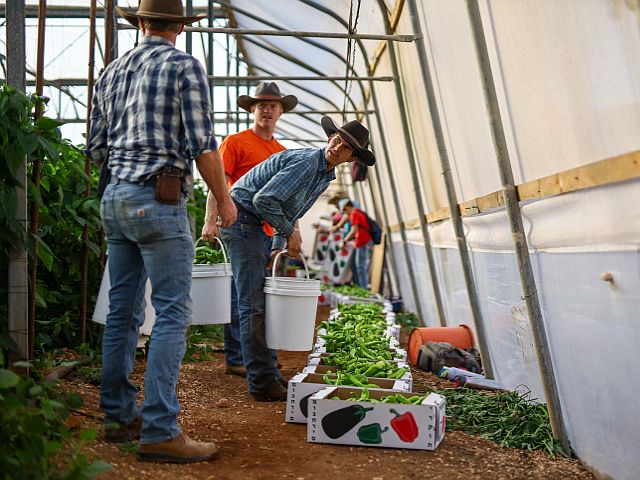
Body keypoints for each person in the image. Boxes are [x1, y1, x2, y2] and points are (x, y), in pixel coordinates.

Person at [87, 0, 237, 464]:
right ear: (179, 27)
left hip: (115, 199)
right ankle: (159, 429)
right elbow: (202, 145)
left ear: (142, 22)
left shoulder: (111, 72)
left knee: (122, 311)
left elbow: (95, 148)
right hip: (161, 198)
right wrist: (225, 199)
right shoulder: (184, 66)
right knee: (172, 313)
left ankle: (117, 415)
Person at [220, 116, 376, 401]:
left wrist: (278, 246)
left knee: (260, 301)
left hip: (253, 224)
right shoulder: (308, 162)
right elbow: (263, 200)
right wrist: (289, 233)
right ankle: (262, 381)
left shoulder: (325, 174)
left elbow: (292, 210)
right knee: (252, 304)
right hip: (241, 219)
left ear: (352, 157)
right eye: (337, 139)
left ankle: (268, 371)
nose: (337, 146)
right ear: (330, 138)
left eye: (346, 146)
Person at [201, 82, 297, 378]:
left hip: (266, 229)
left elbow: (289, 197)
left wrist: (286, 232)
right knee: (247, 294)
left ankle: (251, 354)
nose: (267, 110)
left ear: (281, 111)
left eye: (272, 105)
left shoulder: (282, 151)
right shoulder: (236, 142)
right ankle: (242, 356)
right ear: (252, 110)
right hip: (238, 223)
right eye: (261, 105)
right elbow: (217, 180)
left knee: (252, 292)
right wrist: (210, 218)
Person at [340, 200, 374, 289]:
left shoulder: (354, 214)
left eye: (345, 211)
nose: (346, 214)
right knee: (360, 266)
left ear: (347, 208)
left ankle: (363, 290)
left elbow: (354, 230)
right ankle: (362, 288)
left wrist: (344, 241)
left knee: (360, 267)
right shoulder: (358, 212)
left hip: (363, 241)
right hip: (363, 241)